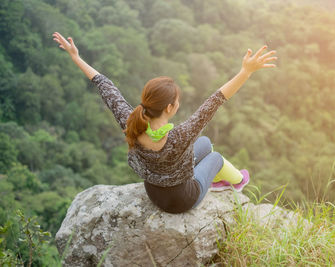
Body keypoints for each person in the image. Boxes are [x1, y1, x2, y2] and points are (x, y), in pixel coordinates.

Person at [52, 32, 278, 214]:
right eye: (177, 101)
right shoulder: (181, 136)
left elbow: (105, 86)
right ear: (169, 108)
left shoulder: (131, 121)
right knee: (215, 157)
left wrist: (75, 57)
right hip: (182, 200)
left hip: (154, 193)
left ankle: (221, 179)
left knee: (205, 142)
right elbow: (216, 99)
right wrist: (246, 71)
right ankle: (238, 183)